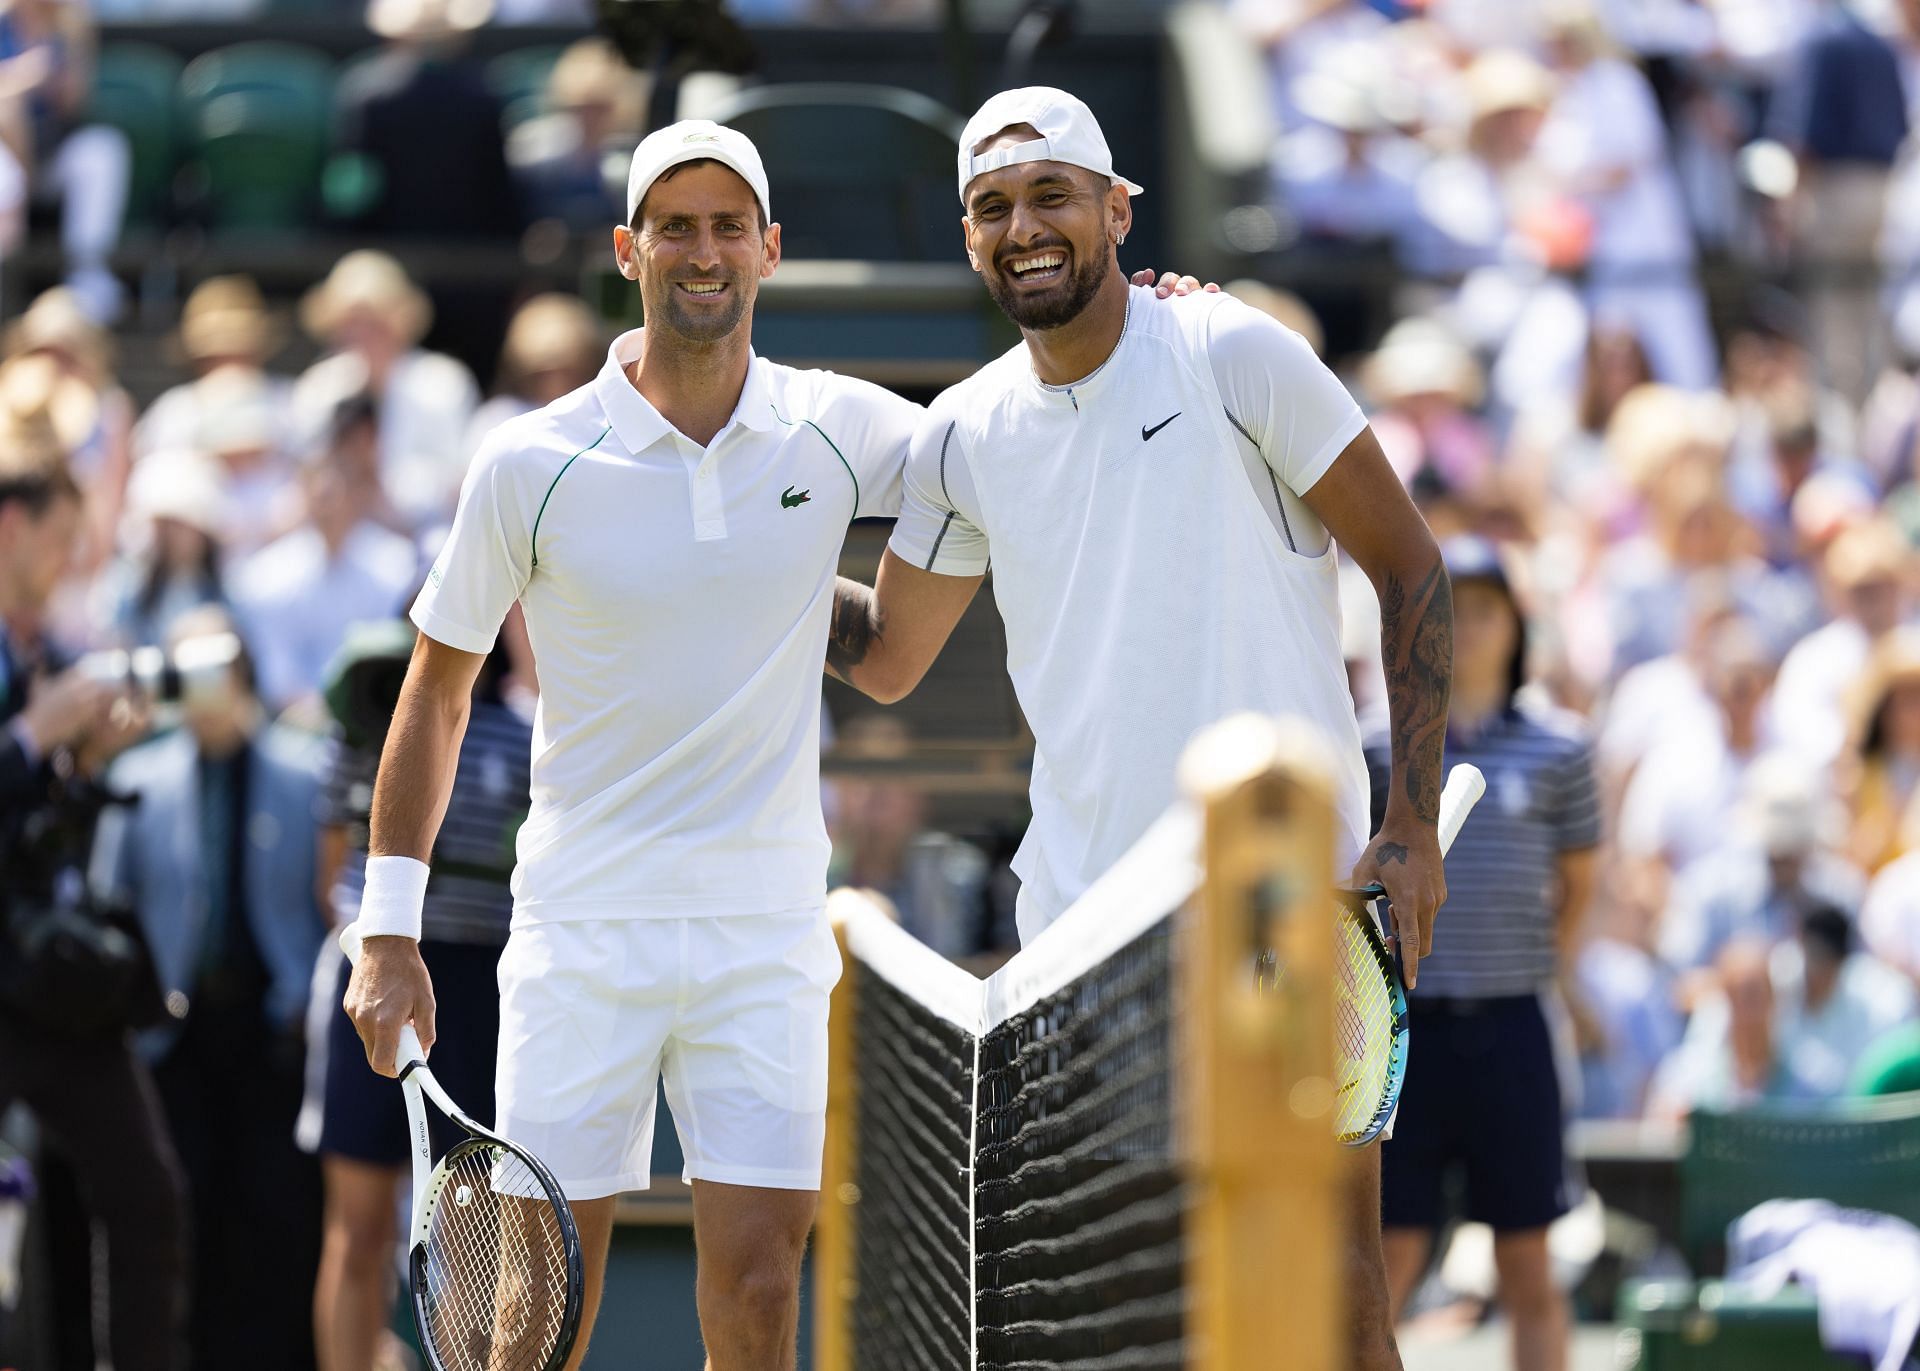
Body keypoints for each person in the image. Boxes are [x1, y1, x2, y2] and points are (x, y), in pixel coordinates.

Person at [336, 115, 1204, 1369]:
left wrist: (1155, 317)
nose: (704, 252)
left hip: (767, 938)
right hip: (583, 930)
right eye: (676, 228)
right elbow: (437, 690)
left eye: (728, 227)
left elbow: (1025, 428)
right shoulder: (528, 461)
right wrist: (387, 928)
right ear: (629, 251)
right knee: (537, 1318)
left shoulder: (842, 428)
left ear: (770, 249)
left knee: (758, 1292)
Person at [824, 86, 1453, 1371]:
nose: (1025, 227)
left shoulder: (1232, 352)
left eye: (1053, 194)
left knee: (1338, 1313)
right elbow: (889, 658)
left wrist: (1411, 828)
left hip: (1287, 911)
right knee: (1120, 1319)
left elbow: (1415, 572)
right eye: (992, 207)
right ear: (967, 237)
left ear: (1117, 209)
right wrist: (747, 553)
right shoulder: (962, 435)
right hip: (1082, 936)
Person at [1362, 537, 1599, 1371]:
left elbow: (1578, 884)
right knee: (1387, 1257)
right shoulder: (1376, 750)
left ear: (1517, 625)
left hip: (1513, 1031)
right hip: (1405, 1030)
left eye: (1488, 606)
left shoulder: (1563, 750)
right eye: (1452, 605)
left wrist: (1535, 972)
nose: (1471, 625)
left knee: (1528, 1260)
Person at [89, 606, 328, 1371]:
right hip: (174, 1037)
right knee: (179, 1218)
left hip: (274, 1033)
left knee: (276, 1223)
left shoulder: (305, 771)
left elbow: (331, 904)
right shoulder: (137, 779)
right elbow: (107, 906)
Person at [0, 403, 184, 1371]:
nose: (72, 559)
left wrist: (80, 758)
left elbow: (33, 832)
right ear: (11, 523)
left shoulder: (36, 646)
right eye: (63, 536)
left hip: (44, 975)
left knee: (146, 1196)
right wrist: (36, 736)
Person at [309, 624, 526, 1371]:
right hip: (371, 978)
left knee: (468, 1225)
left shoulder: (528, 735)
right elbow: (332, 873)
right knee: (358, 1223)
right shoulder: (363, 723)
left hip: (474, 992)